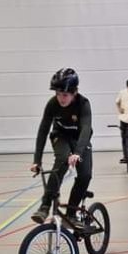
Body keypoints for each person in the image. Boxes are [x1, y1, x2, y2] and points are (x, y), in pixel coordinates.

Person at [30, 68, 94, 228]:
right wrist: (36, 160)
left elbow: (86, 129)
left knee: (85, 175)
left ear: (75, 93)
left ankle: (71, 214)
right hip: (61, 136)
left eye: (65, 95)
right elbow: (43, 130)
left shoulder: (83, 104)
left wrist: (78, 153)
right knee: (62, 158)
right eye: (58, 94)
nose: (61, 98)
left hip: (80, 138)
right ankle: (45, 205)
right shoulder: (52, 104)